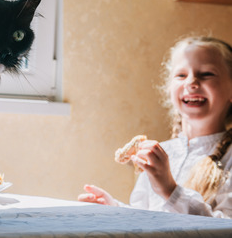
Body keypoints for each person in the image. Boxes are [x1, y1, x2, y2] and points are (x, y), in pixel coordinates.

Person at [78, 36, 232, 218]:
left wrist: (169, 190)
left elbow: (224, 228)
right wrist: (114, 208)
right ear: (169, 88)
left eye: (206, 74)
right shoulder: (163, 153)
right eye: (181, 75)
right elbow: (146, 216)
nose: (191, 82)